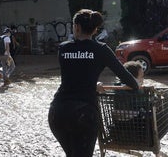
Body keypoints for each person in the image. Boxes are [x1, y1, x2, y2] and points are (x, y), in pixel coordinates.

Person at [48, 9, 139, 157]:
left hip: (58, 112)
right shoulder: (101, 50)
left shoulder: (63, 48)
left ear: (76, 27)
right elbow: (130, 81)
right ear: (95, 29)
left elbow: (76, 74)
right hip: (84, 113)